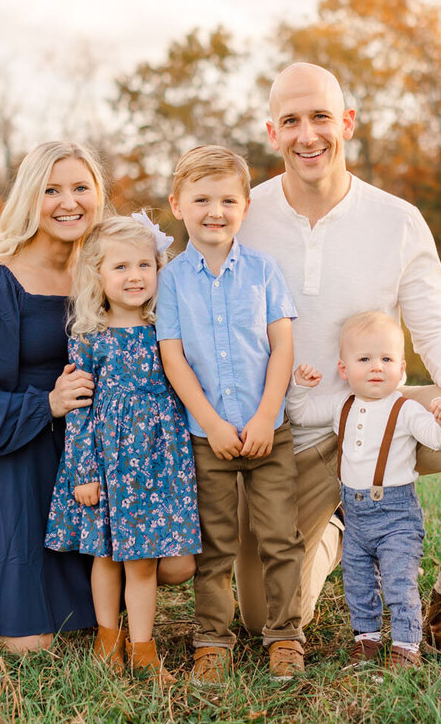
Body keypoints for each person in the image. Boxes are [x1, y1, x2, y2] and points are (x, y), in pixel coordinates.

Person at [235, 63, 441, 660]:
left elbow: (434, 324)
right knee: (260, 618)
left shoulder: (396, 220)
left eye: (321, 117)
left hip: (383, 418)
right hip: (291, 439)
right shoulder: (243, 216)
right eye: (291, 121)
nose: (307, 135)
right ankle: (338, 531)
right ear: (272, 133)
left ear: (347, 122)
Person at [0, 141, 105, 653]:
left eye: (80, 188)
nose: (68, 202)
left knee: (132, 593)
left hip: (88, 458)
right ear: (30, 198)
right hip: (17, 464)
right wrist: (45, 403)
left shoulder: (104, 270)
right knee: (31, 645)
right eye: (51, 190)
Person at [154, 145, 305, 684]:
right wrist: (212, 423)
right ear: (178, 205)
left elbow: (282, 348)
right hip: (206, 436)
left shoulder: (264, 271)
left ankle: (285, 636)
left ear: (245, 207)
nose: (214, 211)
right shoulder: (171, 280)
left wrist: (266, 416)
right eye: (201, 200)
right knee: (215, 544)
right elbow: (173, 357)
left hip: (269, 433)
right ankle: (212, 640)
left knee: (280, 539)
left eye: (226, 200)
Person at [44, 213, 201, 683]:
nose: (135, 276)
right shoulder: (89, 338)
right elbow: (79, 413)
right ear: (97, 275)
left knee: (145, 562)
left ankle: (144, 648)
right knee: (106, 557)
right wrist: (84, 473)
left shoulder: (165, 329)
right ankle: (107, 641)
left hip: (158, 466)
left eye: (144, 265)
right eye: (121, 267)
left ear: (158, 269)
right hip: (109, 465)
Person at [287, 311, 441, 671]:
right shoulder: (342, 405)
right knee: (358, 582)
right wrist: (300, 387)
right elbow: (300, 414)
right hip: (355, 516)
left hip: (396, 517)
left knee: (398, 581)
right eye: (364, 359)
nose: (377, 367)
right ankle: (366, 640)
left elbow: (437, 439)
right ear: (344, 369)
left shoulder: (405, 409)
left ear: (402, 369)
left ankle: (406, 646)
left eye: (387, 359)